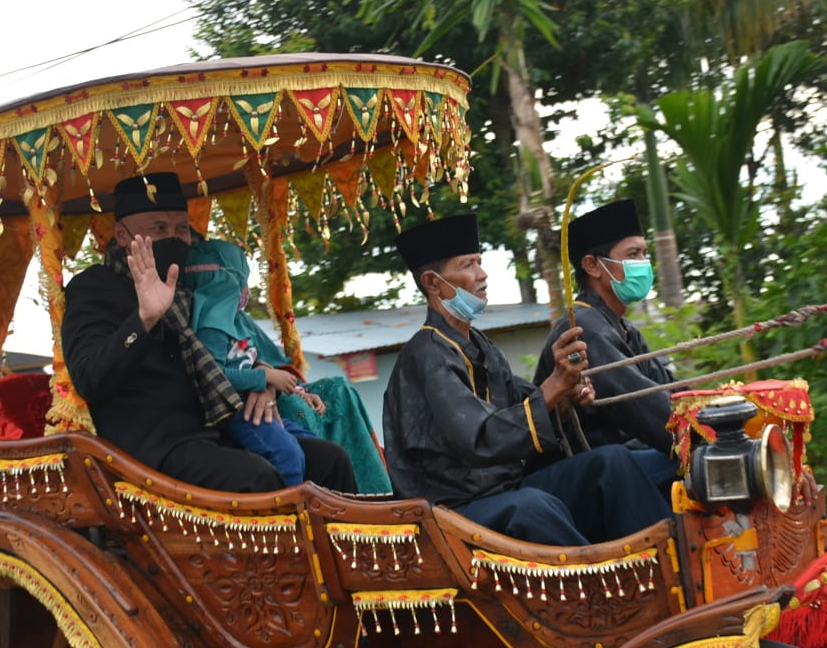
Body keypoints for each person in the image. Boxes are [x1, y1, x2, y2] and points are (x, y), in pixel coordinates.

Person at [381, 214, 672, 546]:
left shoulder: (482, 347)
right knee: (533, 507)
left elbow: (527, 400)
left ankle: (666, 565)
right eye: (469, 265)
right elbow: (480, 439)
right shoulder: (426, 355)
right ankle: (600, 592)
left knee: (611, 463)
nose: (483, 274)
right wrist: (552, 388)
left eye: (480, 262)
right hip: (453, 509)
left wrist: (567, 395)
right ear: (433, 283)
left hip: (505, 490)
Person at [61, 172, 357, 494]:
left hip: (221, 426)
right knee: (257, 478)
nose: (173, 238)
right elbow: (89, 377)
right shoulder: (95, 287)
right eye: (159, 229)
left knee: (330, 460)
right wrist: (144, 319)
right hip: (155, 444)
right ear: (122, 235)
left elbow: (237, 348)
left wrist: (259, 377)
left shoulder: (196, 282)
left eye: (181, 229)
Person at [181, 237, 394, 493]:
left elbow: (267, 362)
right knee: (289, 454)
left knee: (320, 448)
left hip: (267, 404)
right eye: (242, 279)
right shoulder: (212, 326)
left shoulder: (236, 320)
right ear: (226, 281)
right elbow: (214, 376)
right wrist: (265, 378)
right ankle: (298, 516)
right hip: (241, 413)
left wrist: (294, 388)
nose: (246, 290)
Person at [535, 199, 677, 493]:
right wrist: (699, 436)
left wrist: (721, 409)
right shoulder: (583, 327)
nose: (643, 263)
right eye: (632, 254)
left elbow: (668, 390)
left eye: (645, 253)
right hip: (590, 473)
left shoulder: (622, 328)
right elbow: (641, 404)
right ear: (592, 265)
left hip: (628, 456)